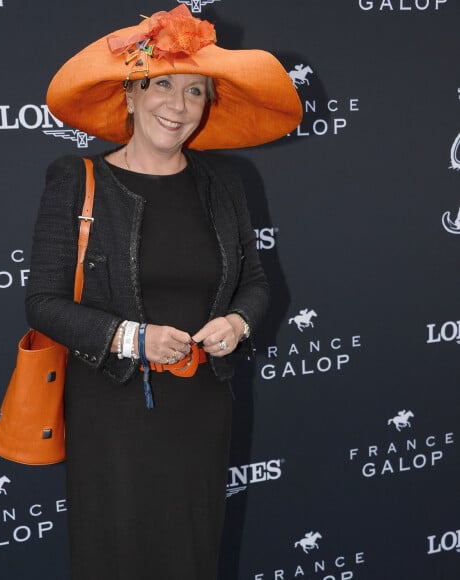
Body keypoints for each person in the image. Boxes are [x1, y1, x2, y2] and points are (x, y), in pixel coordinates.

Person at [25, 6, 302, 579]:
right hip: (113, 411)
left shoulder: (224, 182)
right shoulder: (76, 180)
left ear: (207, 106)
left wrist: (239, 323)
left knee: (192, 553)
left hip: (201, 407)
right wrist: (132, 338)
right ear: (130, 94)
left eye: (195, 92)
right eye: (161, 85)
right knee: (118, 555)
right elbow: (43, 304)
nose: (177, 106)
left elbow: (253, 282)